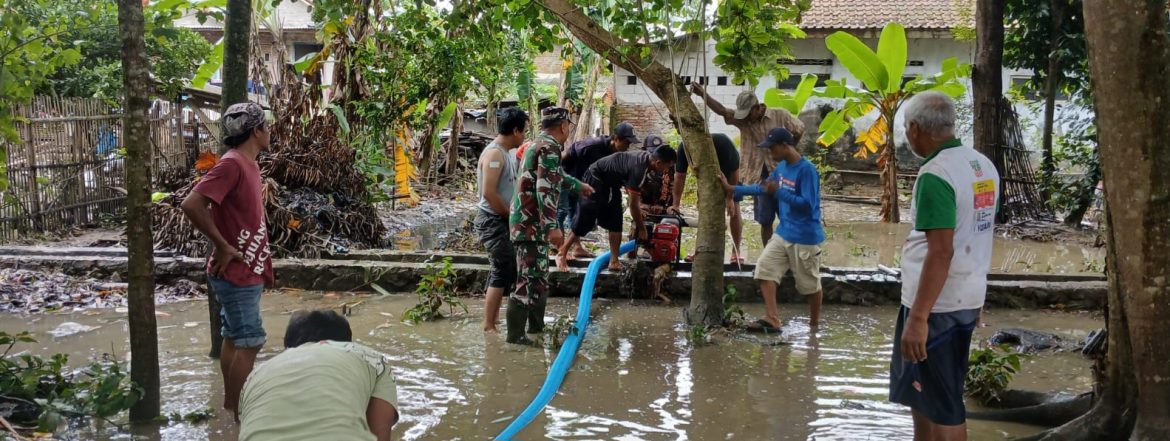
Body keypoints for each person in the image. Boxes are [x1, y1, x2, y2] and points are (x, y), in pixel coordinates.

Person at [889, 92, 999, 441]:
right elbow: (977, 233)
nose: (907, 136)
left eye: (907, 129)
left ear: (917, 129)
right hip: (963, 296)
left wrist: (919, 319)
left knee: (946, 405)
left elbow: (941, 252)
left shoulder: (936, 174)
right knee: (924, 397)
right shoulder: (981, 166)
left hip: (937, 306)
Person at [181, 102, 274, 418]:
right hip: (237, 270)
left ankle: (231, 405)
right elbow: (192, 204)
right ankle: (240, 414)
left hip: (243, 267)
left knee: (234, 337)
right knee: (250, 342)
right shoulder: (232, 164)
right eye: (267, 126)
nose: (270, 131)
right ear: (256, 130)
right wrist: (221, 245)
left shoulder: (247, 163)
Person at [239, 310, 399, 441]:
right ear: (348, 342)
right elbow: (379, 434)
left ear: (288, 347)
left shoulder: (256, 374)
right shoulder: (369, 357)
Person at [507, 107, 594, 345]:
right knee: (527, 279)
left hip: (529, 224)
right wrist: (552, 227)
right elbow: (544, 188)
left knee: (539, 277)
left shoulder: (537, 145)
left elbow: (554, 176)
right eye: (569, 126)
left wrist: (578, 185)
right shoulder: (550, 148)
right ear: (563, 126)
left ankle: (536, 328)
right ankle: (515, 338)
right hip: (531, 225)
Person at [724, 127, 824, 333]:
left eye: (772, 148)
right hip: (783, 233)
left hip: (805, 237)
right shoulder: (782, 168)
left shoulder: (807, 170)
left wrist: (779, 193)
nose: (770, 153)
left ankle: (814, 326)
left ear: (785, 146)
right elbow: (763, 188)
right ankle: (772, 319)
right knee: (764, 269)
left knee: (810, 286)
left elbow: (808, 205)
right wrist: (733, 189)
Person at [691, 83, 804, 252]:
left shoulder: (780, 115)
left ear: (758, 107)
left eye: (749, 113)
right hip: (758, 175)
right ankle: (769, 255)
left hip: (783, 175)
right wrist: (702, 94)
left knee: (788, 218)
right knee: (765, 220)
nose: (746, 118)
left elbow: (799, 129)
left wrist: (790, 150)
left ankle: (790, 257)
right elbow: (722, 110)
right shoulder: (744, 122)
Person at [557, 146, 678, 272]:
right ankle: (562, 253)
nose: (666, 170)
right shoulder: (639, 168)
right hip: (596, 177)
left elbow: (630, 184)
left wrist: (638, 208)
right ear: (658, 163)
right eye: (667, 167)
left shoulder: (645, 161)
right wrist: (641, 228)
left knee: (616, 220)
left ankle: (614, 261)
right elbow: (633, 205)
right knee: (586, 218)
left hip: (612, 184)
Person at [473, 107, 528, 333]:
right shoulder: (495, 154)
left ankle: (493, 320)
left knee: (504, 269)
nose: (524, 136)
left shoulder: (506, 154)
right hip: (492, 219)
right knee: (502, 269)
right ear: (515, 130)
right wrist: (509, 216)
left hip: (501, 219)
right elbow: (489, 193)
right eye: (523, 131)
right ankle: (488, 324)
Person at [558, 122, 639, 258]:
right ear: (616, 139)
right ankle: (560, 250)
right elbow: (565, 156)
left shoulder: (619, 155)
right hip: (570, 178)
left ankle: (576, 248)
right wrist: (559, 175)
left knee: (578, 214)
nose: (627, 147)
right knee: (563, 212)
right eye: (626, 143)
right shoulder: (591, 146)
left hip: (589, 184)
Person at [671, 131, 743, 263]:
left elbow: (735, 171)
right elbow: (679, 176)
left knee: (734, 210)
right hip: (706, 180)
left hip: (730, 177)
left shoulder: (722, 142)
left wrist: (730, 198)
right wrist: (676, 204)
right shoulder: (684, 148)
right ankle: (701, 250)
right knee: (705, 212)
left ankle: (736, 252)